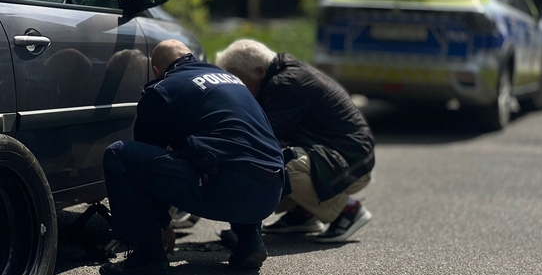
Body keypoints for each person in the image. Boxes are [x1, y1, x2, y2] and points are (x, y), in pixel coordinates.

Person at [99, 39, 285, 275]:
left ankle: (147, 257)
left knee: (120, 154)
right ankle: (250, 242)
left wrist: (162, 224)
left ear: (157, 70)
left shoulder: (163, 90)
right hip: (271, 191)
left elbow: (144, 171)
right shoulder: (234, 81)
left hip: (229, 190)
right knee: (236, 148)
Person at [215, 39, 375, 243]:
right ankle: (305, 213)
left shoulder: (286, 85)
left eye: (237, 80)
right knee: (274, 156)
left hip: (351, 163)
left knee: (281, 162)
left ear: (258, 72)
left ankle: (348, 211)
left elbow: (260, 136)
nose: (235, 87)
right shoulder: (281, 74)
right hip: (340, 154)